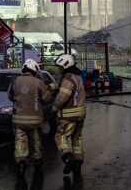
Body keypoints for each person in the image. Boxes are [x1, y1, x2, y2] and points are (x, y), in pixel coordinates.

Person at [7, 58, 53, 178]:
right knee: (36, 142)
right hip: (35, 119)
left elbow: (10, 96)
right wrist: (49, 90)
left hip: (19, 119)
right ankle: (37, 162)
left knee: (20, 141)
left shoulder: (15, 81)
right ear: (34, 70)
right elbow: (46, 98)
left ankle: (21, 162)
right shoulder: (38, 82)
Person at [53, 53, 86, 182]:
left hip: (68, 114)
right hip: (80, 113)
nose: (59, 69)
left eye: (60, 67)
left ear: (65, 66)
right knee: (77, 139)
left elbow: (63, 97)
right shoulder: (78, 77)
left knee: (61, 136)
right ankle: (77, 164)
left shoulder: (67, 78)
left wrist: (54, 107)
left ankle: (68, 158)